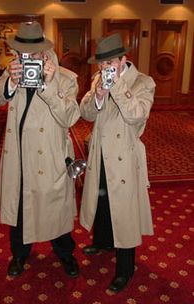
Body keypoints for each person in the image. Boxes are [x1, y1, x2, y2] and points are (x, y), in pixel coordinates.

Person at [0, 21, 81, 278]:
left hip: (50, 156)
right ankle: (19, 254)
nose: (27, 59)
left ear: (44, 53)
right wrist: (10, 85)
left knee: (55, 209)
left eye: (33, 54)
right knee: (20, 209)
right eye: (22, 54)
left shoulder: (65, 79)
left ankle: (65, 253)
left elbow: (71, 117)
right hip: (19, 157)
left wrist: (47, 85)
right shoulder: (11, 73)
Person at [79, 33, 155, 292]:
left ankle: (125, 269)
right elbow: (86, 113)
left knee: (124, 212)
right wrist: (98, 94)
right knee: (101, 200)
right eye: (100, 64)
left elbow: (136, 116)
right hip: (100, 152)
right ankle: (102, 241)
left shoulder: (143, 82)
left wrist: (118, 88)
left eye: (110, 63)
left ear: (124, 59)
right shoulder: (98, 79)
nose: (104, 68)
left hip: (124, 156)